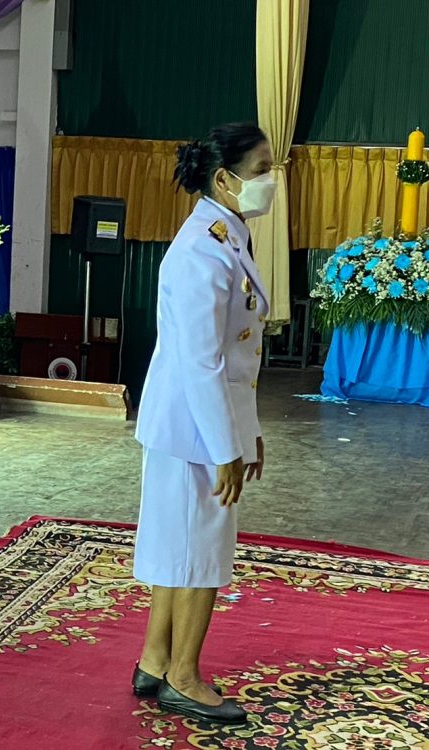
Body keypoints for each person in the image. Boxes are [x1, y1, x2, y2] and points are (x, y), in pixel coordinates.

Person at [131, 122, 272, 726]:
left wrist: (248, 427)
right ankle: (184, 677)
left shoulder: (226, 235)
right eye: (261, 169)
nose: (270, 180)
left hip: (204, 418)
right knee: (201, 552)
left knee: (179, 546)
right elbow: (202, 362)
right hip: (193, 428)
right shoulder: (201, 250)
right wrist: (225, 448)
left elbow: (240, 356)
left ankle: (155, 659)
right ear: (223, 178)